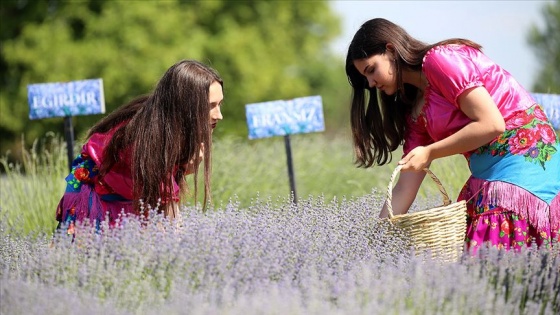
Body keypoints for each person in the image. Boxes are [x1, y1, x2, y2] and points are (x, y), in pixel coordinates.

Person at [345, 18, 559, 253]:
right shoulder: (415, 112)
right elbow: (404, 187)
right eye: (366, 78)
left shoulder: (440, 60)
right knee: (481, 264)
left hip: (525, 165)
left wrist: (430, 151)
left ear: (391, 50)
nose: (371, 83)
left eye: (371, 70)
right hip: (488, 175)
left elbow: (491, 123)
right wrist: (375, 242)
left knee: (496, 258)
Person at [55, 60, 224, 234]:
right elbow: (170, 220)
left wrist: (184, 167)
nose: (219, 115)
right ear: (186, 106)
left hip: (122, 200)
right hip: (91, 197)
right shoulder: (152, 137)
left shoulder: (171, 124)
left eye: (220, 104)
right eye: (211, 106)